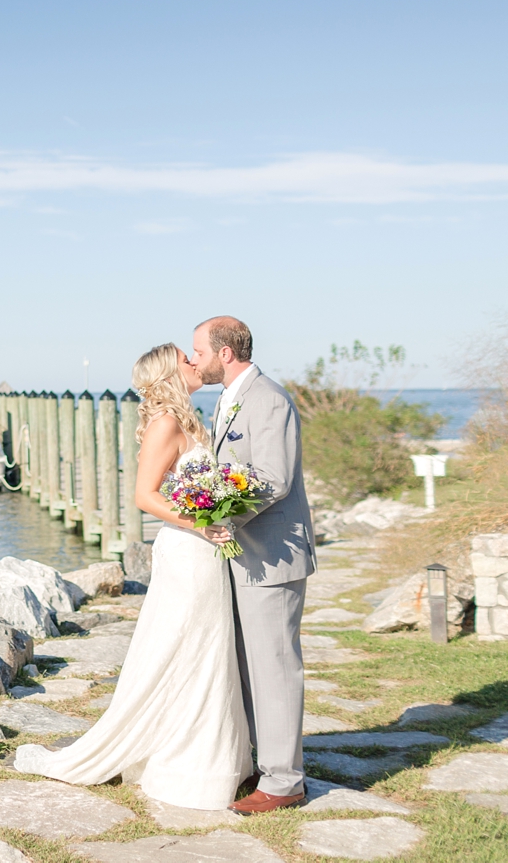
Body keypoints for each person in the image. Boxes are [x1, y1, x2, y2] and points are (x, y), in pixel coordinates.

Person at [13, 342, 251, 811]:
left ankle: (207, 754)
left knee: (206, 650)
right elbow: (146, 496)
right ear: (169, 372)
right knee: (185, 649)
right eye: (187, 357)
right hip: (188, 552)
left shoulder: (187, 420)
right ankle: (184, 761)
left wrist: (220, 507)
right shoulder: (165, 422)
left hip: (205, 552)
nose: (195, 361)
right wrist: (204, 521)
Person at [190, 316, 316, 814]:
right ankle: (265, 764)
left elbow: (272, 477)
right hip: (245, 555)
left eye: (198, 350)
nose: (194, 359)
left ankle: (284, 783)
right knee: (248, 668)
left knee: (275, 667)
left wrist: (221, 518)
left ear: (224, 353)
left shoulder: (267, 399)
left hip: (273, 553)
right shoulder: (229, 398)